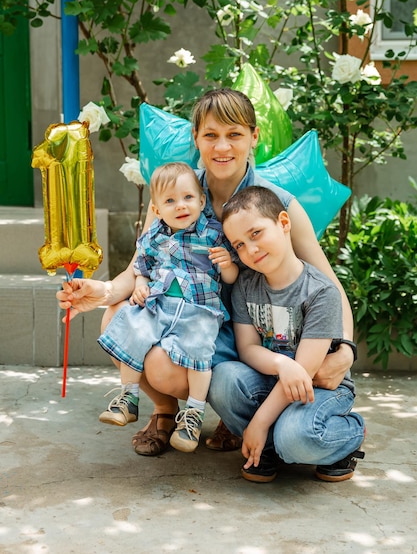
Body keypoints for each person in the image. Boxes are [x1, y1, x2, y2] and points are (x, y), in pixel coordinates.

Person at [57, 88, 355, 458]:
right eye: (211, 135)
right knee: (114, 318)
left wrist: (345, 348)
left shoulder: (277, 204)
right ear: (195, 138)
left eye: (234, 135)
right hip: (179, 312)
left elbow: (328, 282)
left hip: (244, 329)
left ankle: (235, 413)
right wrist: (101, 291)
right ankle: (165, 412)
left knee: (168, 367)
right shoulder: (174, 192)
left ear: (254, 137)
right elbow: (139, 267)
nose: (222, 147)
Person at [218, 185, 365, 482]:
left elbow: (307, 369)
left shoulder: (321, 291)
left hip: (319, 389)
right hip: (274, 378)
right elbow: (247, 348)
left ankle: (347, 437)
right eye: (239, 245)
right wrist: (280, 364)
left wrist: (258, 421)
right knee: (224, 378)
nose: (251, 250)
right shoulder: (246, 285)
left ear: (284, 223)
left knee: (295, 438)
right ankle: (267, 449)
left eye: (256, 233)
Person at [97, 162, 238, 452]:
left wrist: (227, 264)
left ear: (201, 201)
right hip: (160, 304)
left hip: (200, 310)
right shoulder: (154, 236)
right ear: (157, 210)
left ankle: (193, 416)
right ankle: (128, 398)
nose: (181, 206)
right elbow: (141, 267)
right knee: (131, 328)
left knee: (199, 352)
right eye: (170, 201)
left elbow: (231, 278)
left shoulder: (213, 234)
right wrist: (138, 283)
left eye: (188, 198)